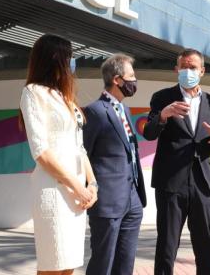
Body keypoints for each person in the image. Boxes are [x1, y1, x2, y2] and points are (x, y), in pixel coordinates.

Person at [19, 34, 98, 275]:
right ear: (56, 59)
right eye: (70, 58)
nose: (72, 64)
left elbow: (80, 148)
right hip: (53, 191)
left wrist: (92, 184)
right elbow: (41, 151)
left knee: (69, 266)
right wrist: (77, 186)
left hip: (75, 195)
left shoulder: (67, 99)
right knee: (53, 265)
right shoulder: (33, 93)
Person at [143, 48, 210, 275]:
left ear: (202, 71)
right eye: (184, 67)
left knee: (205, 246)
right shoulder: (162, 98)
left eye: (193, 67)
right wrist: (163, 116)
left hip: (202, 184)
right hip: (171, 184)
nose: (188, 71)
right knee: (167, 246)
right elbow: (149, 133)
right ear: (176, 69)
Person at [83, 54, 147, 275]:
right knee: (103, 263)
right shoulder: (94, 111)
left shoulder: (125, 109)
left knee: (125, 263)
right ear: (118, 80)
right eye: (131, 76)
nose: (135, 81)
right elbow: (84, 155)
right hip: (108, 202)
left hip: (133, 198)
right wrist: (89, 190)